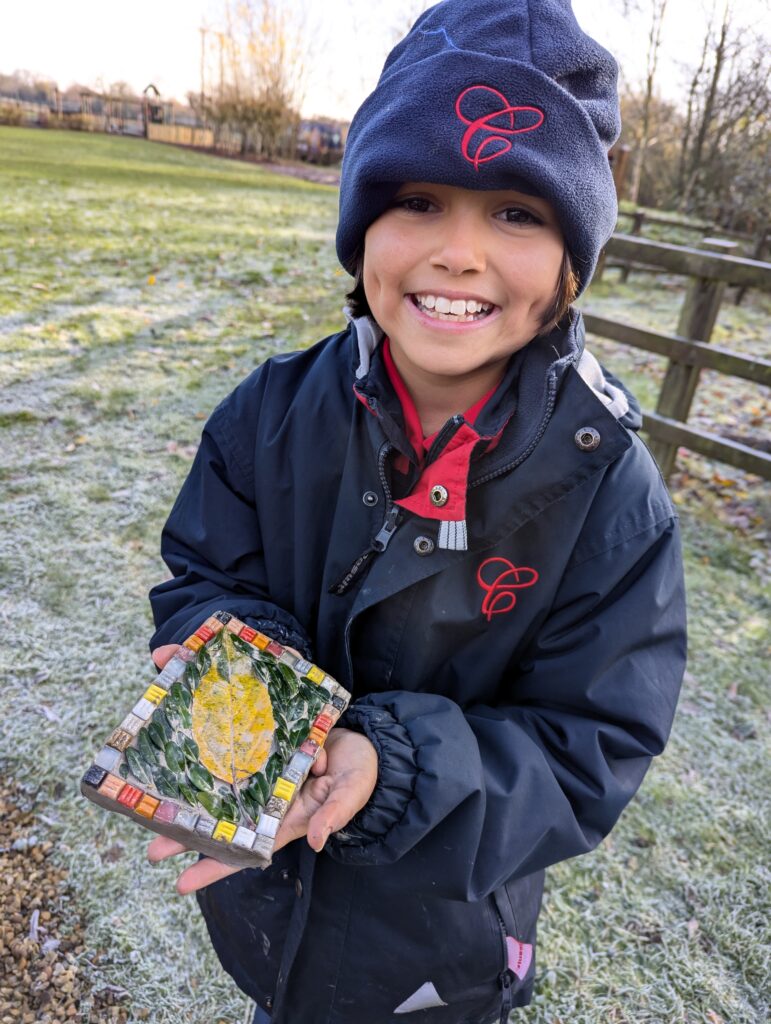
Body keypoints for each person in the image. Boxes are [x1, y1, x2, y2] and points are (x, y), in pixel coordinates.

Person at [146, 2, 687, 1022]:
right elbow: (206, 575)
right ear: (362, 229)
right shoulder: (270, 413)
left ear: (575, 259)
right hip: (272, 903)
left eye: (519, 213)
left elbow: (591, 742)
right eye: (421, 200)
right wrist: (261, 685)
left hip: (442, 950)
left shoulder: (610, 494)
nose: (460, 253)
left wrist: (395, 764)